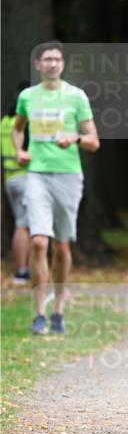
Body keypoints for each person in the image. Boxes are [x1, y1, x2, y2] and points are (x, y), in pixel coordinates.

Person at [12, 41, 100, 334]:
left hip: (68, 176)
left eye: (57, 59)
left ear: (62, 64)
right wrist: (19, 151)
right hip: (36, 174)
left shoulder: (76, 96)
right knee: (39, 241)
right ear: (38, 64)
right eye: (47, 59)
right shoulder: (28, 96)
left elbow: (94, 141)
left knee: (61, 246)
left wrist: (74, 138)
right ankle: (39, 313)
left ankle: (58, 310)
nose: (52, 63)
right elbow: (17, 129)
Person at [2, 83, 31, 284]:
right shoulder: (25, 123)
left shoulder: (4, 121)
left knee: (20, 223)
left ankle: (23, 268)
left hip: (9, 178)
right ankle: (22, 270)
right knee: (24, 225)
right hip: (25, 177)